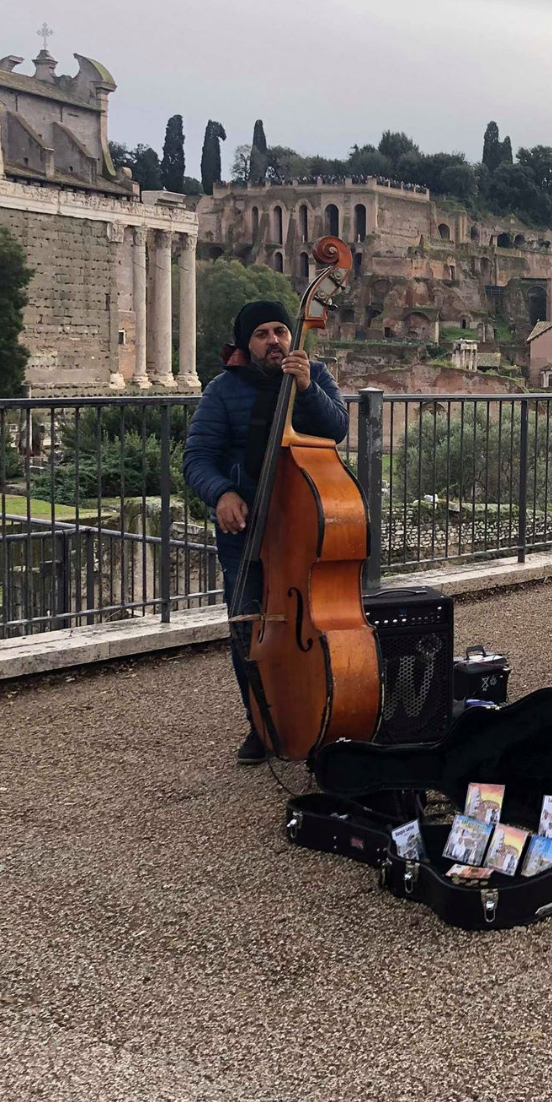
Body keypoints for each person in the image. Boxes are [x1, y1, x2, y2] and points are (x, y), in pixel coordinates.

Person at [183, 300, 349, 764]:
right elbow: (197, 458)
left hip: (306, 533)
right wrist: (221, 494)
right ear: (245, 343)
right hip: (247, 533)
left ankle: (322, 712)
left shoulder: (314, 376)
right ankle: (261, 722)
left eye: (280, 331)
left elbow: (337, 429)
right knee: (248, 630)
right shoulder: (221, 390)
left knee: (320, 627)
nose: (274, 341)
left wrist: (306, 388)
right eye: (262, 334)